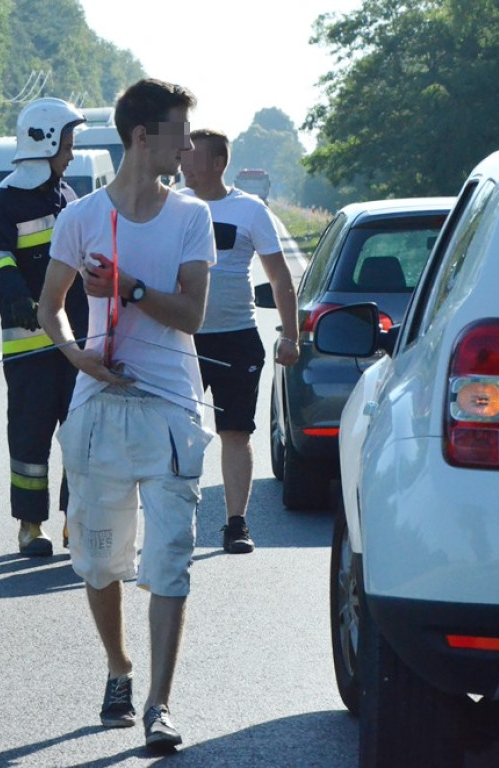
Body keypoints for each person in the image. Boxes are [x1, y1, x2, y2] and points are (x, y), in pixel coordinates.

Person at [38, 78, 216, 752]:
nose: (188, 148)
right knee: (98, 560)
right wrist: (74, 355)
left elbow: (192, 315)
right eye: (180, 134)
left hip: (171, 409)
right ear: (143, 136)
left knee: (169, 562)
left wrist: (130, 289)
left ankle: (159, 705)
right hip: (99, 407)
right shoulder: (80, 217)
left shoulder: (191, 217)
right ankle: (119, 667)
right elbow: (50, 306)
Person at [0, 97, 89, 557]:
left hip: (75, 343)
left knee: (80, 435)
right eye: (68, 144)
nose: (72, 154)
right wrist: (17, 298)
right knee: (30, 437)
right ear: (46, 142)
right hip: (29, 346)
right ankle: (30, 526)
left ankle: (74, 519)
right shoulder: (5, 200)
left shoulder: (69, 197)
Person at [180, 129, 299, 554]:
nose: (184, 165)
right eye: (182, 156)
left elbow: (280, 278)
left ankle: (236, 525)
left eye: (193, 158)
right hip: (181, 338)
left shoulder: (250, 210)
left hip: (237, 339)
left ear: (218, 163)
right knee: (178, 431)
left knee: (235, 431)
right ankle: (176, 521)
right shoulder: (173, 206)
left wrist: (290, 336)